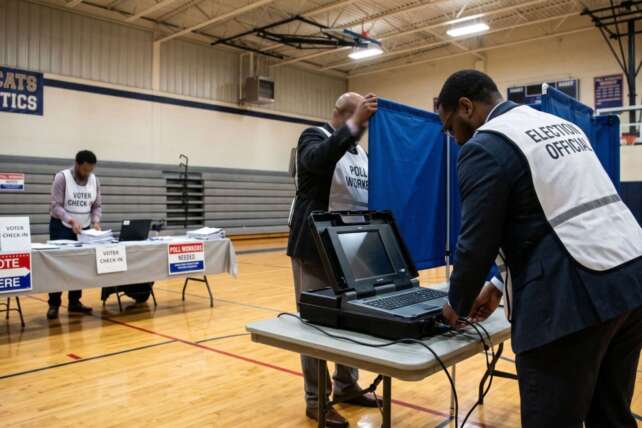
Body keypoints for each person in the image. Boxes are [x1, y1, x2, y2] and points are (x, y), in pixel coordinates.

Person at [436, 69, 642, 427]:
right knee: (610, 416)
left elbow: (475, 242)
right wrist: (499, 286)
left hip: (572, 302)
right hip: (630, 280)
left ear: (466, 107)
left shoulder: (484, 145)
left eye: (449, 126)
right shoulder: (558, 125)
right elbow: (555, 215)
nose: (453, 138)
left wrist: (457, 303)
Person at [287, 92, 378, 427]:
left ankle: (346, 384)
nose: (363, 129)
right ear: (342, 113)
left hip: (352, 251)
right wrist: (353, 126)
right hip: (314, 248)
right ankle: (316, 400)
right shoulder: (314, 136)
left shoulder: (361, 154)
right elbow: (316, 161)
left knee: (350, 319)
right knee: (315, 324)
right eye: (360, 121)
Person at [47, 150, 101, 320]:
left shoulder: (94, 180)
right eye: (84, 169)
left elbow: (97, 205)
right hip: (61, 226)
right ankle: (54, 304)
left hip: (84, 227)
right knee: (58, 266)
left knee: (79, 265)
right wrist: (70, 221)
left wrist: (96, 220)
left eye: (90, 170)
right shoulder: (62, 178)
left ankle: (74, 302)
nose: (87, 173)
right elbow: (55, 206)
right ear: (77, 164)